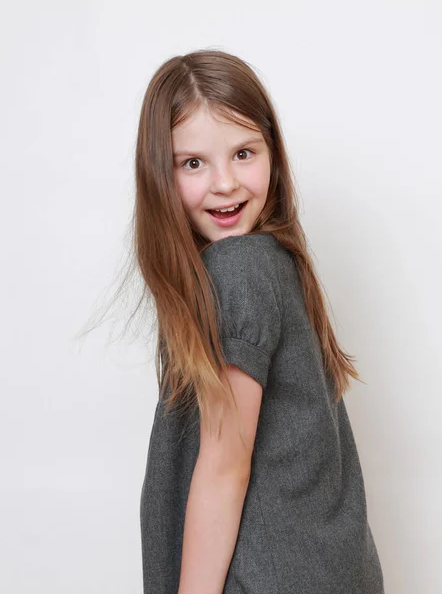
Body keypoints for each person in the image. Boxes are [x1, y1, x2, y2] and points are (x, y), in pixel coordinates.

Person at [136, 49, 385, 594]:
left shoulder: (239, 268)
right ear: (160, 172)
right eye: (193, 162)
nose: (224, 183)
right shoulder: (270, 262)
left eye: (244, 153)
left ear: (274, 154)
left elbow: (226, 469)